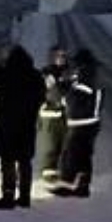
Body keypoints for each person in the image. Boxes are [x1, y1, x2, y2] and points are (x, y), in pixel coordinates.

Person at [0, 45, 46, 210]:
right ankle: (24, 197)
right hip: (27, 123)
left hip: (6, 121)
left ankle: (8, 196)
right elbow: (42, 97)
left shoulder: (3, 73)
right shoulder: (35, 75)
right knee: (24, 160)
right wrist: (33, 109)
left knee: (7, 159)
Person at [53, 49, 103, 198]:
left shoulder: (86, 78)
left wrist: (63, 89)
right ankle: (82, 186)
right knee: (83, 155)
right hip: (88, 123)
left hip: (81, 123)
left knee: (71, 155)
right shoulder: (90, 76)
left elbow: (73, 96)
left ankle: (67, 186)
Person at [36, 46, 70, 181]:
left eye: (63, 56)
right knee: (50, 142)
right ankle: (49, 170)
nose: (60, 58)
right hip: (49, 114)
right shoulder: (46, 73)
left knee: (66, 142)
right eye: (57, 55)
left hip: (66, 113)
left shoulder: (70, 73)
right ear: (52, 57)